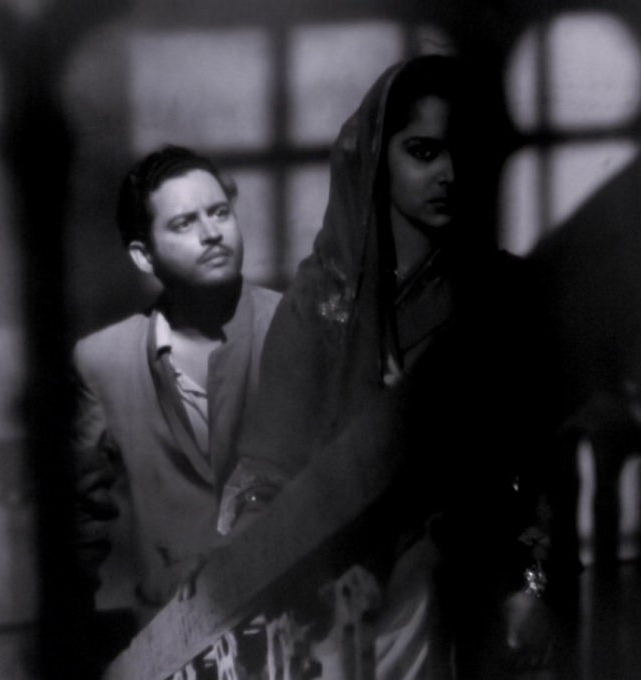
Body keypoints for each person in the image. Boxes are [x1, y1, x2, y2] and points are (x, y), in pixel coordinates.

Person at [219, 56, 561, 678]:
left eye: (463, 153)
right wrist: (251, 560)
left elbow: (535, 476)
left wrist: (533, 589)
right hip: (332, 604)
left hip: (471, 589)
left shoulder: (508, 295)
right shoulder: (317, 306)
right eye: (423, 152)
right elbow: (268, 469)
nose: (450, 174)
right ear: (377, 159)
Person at [71, 145, 280, 626]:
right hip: (171, 633)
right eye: (185, 223)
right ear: (144, 256)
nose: (212, 234)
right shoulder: (102, 360)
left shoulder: (294, 325)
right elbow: (78, 526)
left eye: (220, 213)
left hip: (294, 613)